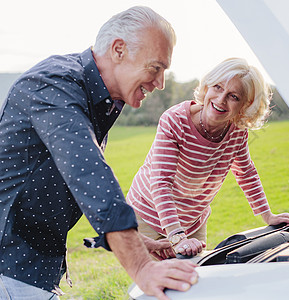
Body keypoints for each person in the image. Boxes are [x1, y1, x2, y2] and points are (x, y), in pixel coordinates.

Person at [0, 6, 198, 300]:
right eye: (156, 68)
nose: (160, 83)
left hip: (31, 265)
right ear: (119, 50)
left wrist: (137, 242)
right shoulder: (55, 84)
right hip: (11, 263)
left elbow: (71, 188)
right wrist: (141, 266)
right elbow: (89, 175)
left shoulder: (97, 98)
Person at [127, 58, 289, 257]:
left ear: (246, 105)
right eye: (217, 87)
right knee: (161, 283)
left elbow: (246, 172)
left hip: (192, 221)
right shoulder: (174, 121)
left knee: (196, 280)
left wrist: (268, 215)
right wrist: (177, 237)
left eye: (233, 96)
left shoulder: (237, 131)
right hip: (148, 215)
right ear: (207, 87)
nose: (220, 99)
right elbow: (161, 182)